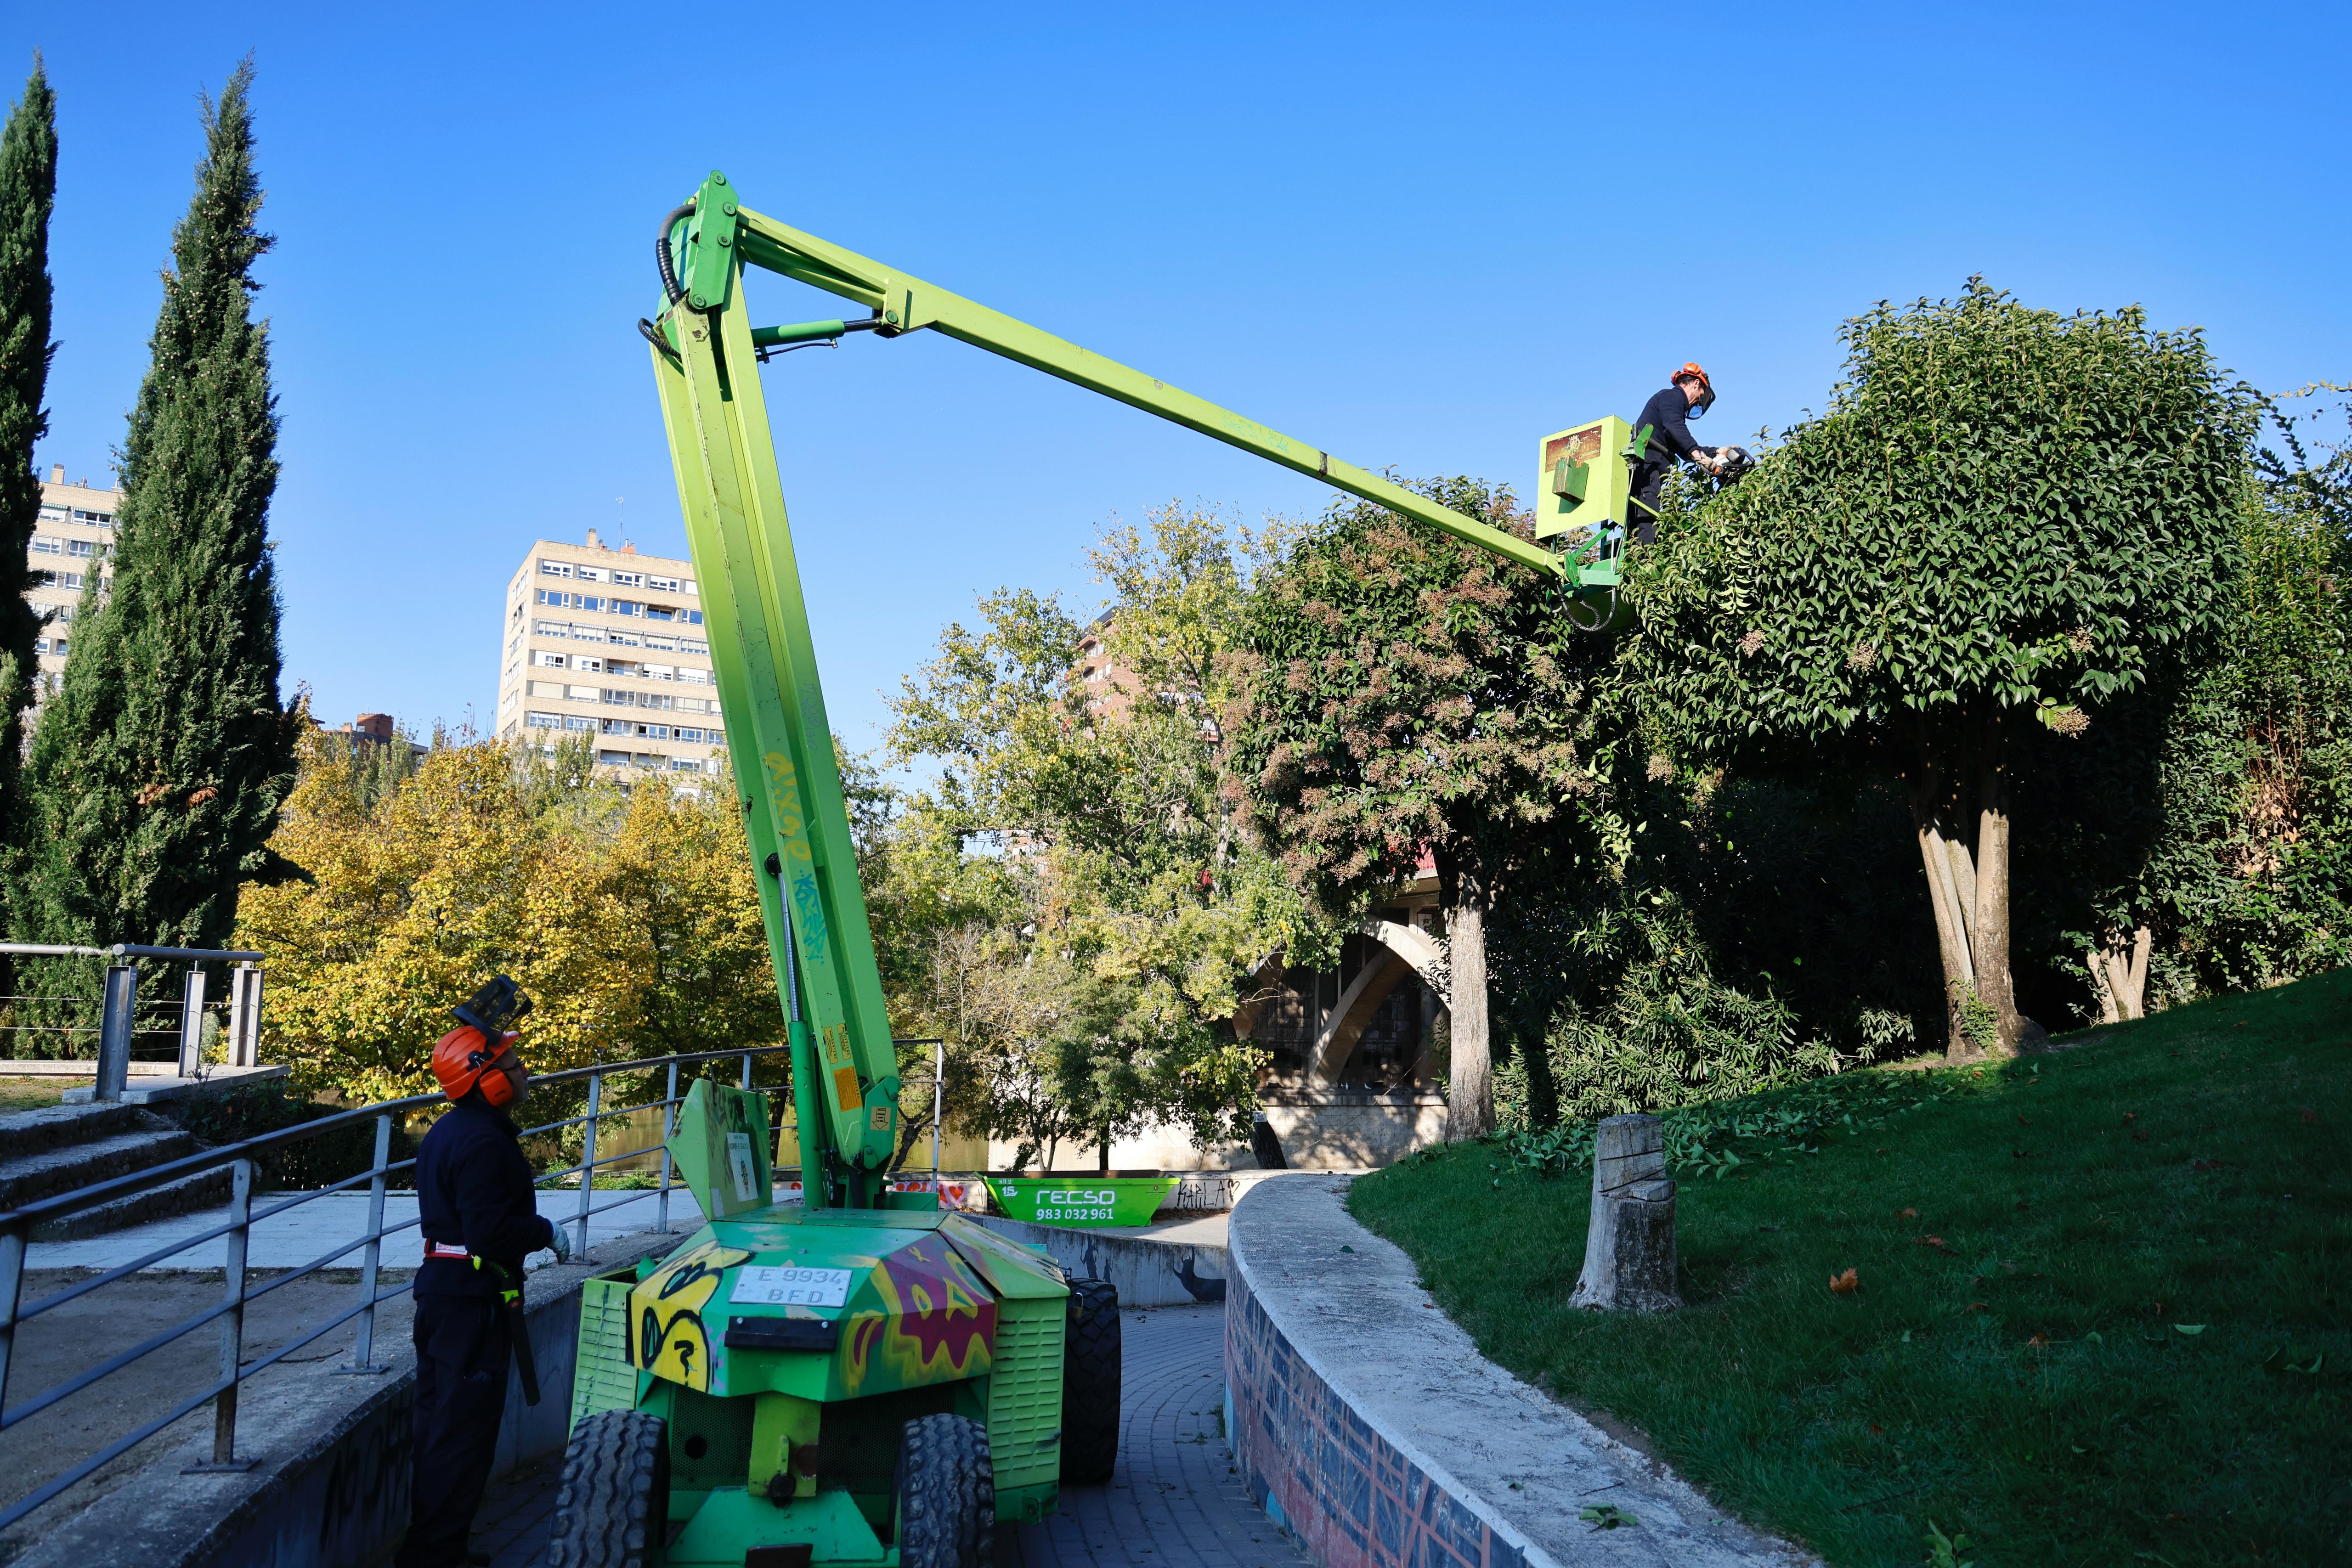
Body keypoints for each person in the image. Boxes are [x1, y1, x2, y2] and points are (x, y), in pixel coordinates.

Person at [396, 990, 567, 1568]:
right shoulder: (485, 1143)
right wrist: (544, 1231)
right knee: (461, 1436)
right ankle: (435, 1557)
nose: (525, 1073)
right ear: (488, 1082)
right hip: (469, 1305)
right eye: (514, 1066)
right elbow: (490, 1233)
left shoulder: (448, 1132)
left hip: (444, 1296)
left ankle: (432, 1550)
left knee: (440, 1429)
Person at [1626, 362, 1727, 545]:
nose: (1698, 402)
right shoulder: (1672, 396)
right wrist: (1697, 455)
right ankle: (1645, 560)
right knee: (1647, 521)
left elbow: (1681, 446)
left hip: (1651, 469)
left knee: (1647, 520)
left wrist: (1716, 452)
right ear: (1696, 384)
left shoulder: (1670, 412)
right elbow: (1675, 427)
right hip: (1647, 468)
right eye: (1701, 396)